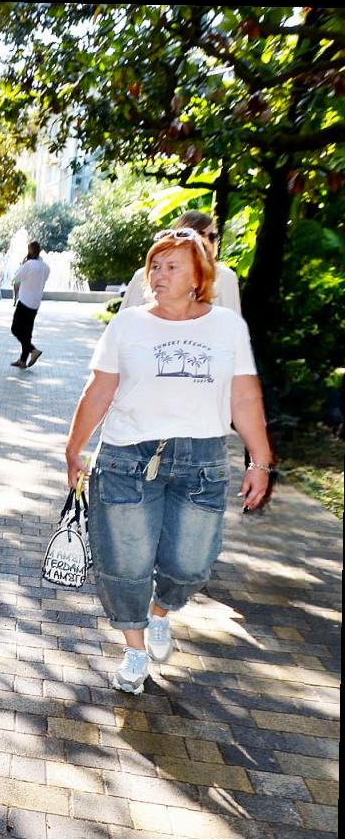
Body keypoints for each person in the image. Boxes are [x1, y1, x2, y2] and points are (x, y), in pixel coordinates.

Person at [64, 227, 272, 695]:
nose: (157, 275)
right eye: (154, 266)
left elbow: (243, 395)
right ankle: (134, 650)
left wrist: (259, 459)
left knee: (191, 565)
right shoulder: (128, 324)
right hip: (127, 457)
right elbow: (100, 388)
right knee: (125, 562)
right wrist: (74, 447)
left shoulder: (226, 327)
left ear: (199, 276)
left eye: (171, 267)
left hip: (202, 460)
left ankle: (160, 612)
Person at [123, 211, 241, 313]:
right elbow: (125, 322)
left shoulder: (225, 276)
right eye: (199, 235)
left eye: (212, 237)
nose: (206, 241)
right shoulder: (143, 275)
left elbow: (232, 322)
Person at [10, 241, 50, 368]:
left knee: (15, 329)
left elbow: (16, 277)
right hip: (35, 303)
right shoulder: (45, 267)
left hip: (25, 301)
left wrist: (23, 264)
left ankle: (33, 350)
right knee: (27, 332)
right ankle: (23, 360)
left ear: (31, 250)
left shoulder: (29, 265)